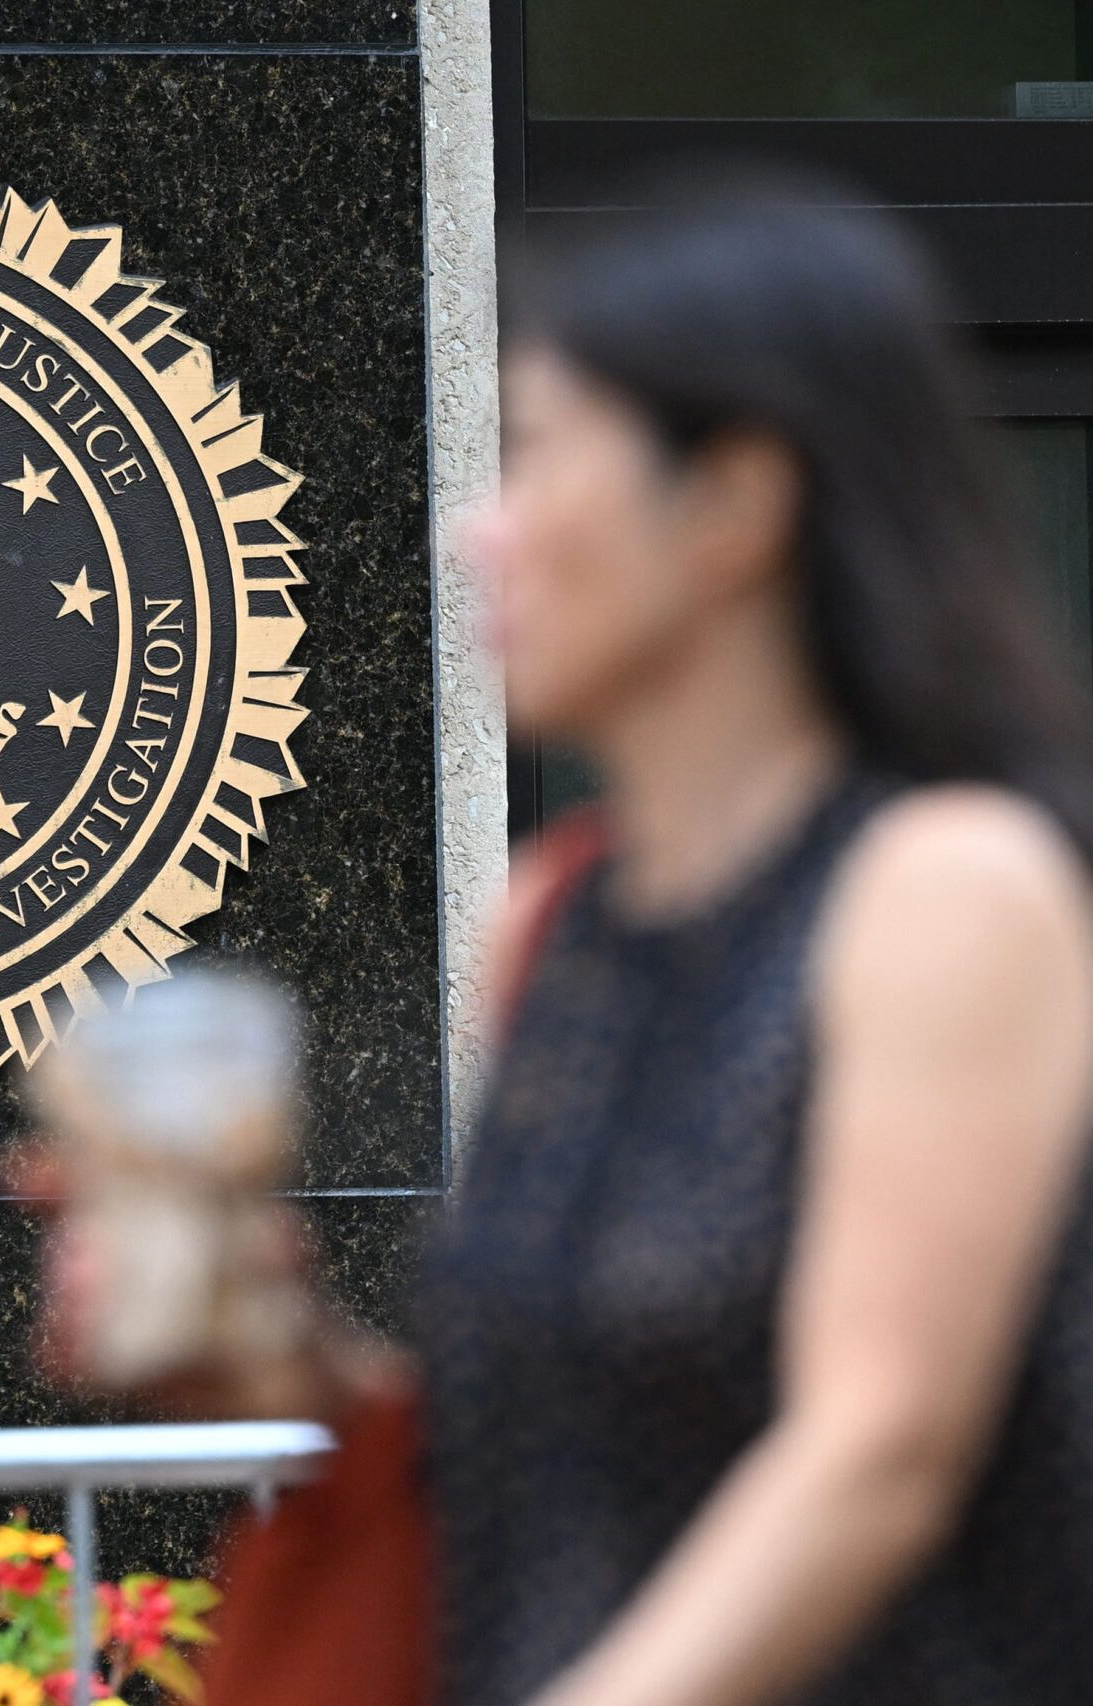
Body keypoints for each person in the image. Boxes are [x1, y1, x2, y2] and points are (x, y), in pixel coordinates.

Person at [426, 174, 1093, 1703]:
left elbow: (877, 1447)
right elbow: (570, 1433)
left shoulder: (946, 890)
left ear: (732, 503)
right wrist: (279, 1360)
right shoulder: (549, 920)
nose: (483, 533)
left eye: (534, 454)